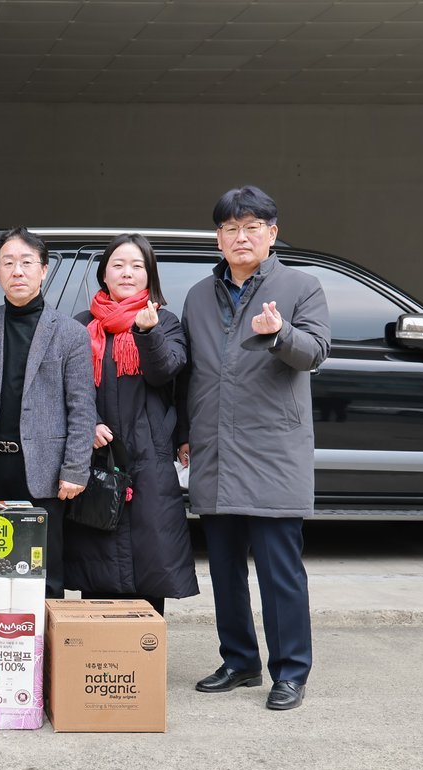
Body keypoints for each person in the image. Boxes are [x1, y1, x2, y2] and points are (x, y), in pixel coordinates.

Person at [180, 186, 330, 711]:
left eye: (251, 227)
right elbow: (191, 373)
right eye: (230, 229)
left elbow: (316, 351)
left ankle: (290, 672)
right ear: (218, 239)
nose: (240, 237)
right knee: (224, 569)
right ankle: (239, 661)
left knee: (278, 571)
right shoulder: (198, 295)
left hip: (273, 451)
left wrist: (281, 332)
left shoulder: (302, 287)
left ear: (272, 233)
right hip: (215, 448)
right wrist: (185, 432)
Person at [63, 234, 199, 615]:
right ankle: (100, 646)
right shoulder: (82, 325)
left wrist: (148, 334)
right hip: (97, 460)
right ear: (104, 274)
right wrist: (88, 424)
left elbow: (165, 373)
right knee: (97, 568)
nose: (127, 273)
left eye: (137, 266)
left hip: (149, 461)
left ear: (149, 275)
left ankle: (144, 645)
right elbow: (65, 386)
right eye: (118, 265)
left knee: (149, 565)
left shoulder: (164, 322)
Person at [0, 227, 94, 598]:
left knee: (45, 574)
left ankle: (45, 637)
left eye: (27, 262)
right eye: (8, 263)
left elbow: (82, 408)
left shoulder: (70, 333)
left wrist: (75, 470)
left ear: (44, 270)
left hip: (44, 470)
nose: (17, 271)